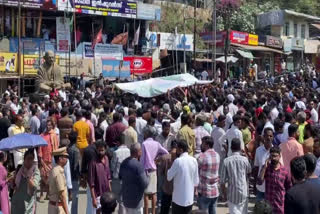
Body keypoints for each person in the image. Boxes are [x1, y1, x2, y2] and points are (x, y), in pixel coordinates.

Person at [141, 126, 168, 214]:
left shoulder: (144, 144)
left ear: (146, 134)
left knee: (145, 194)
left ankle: (146, 212)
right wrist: (158, 159)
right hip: (153, 170)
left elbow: (142, 159)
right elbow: (166, 153)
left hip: (145, 170)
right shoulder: (157, 144)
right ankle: (153, 212)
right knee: (154, 193)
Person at [167, 140, 199, 214]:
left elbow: (169, 177)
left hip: (178, 199)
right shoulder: (194, 160)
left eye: (177, 149)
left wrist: (171, 164)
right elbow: (196, 180)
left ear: (180, 150)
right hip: (189, 199)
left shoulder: (178, 161)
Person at [220, 138, 251, 214]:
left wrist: (224, 194)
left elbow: (222, 181)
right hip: (243, 193)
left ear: (230, 148)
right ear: (240, 147)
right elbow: (249, 172)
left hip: (232, 195)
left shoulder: (226, 161)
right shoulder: (245, 160)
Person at [258, 147, 291, 214]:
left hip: (280, 206)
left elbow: (289, 188)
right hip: (268, 206)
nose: (273, 158)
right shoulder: (266, 168)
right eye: (272, 156)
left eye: (275, 156)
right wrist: (265, 167)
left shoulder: (285, 171)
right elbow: (259, 182)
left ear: (279, 156)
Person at [119, 143, 149, 213]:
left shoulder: (124, 162)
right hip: (136, 202)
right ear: (138, 152)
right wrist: (148, 176)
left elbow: (120, 177)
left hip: (126, 199)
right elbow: (145, 184)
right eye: (141, 150)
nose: (141, 152)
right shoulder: (138, 166)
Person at [11, 149, 41, 214]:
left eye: (31, 159)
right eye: (28, 158)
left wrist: (28, 176)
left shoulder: (35, 170)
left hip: (28, 203)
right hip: (17, 203)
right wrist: (12, 179)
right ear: (24, 159)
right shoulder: (19, 169)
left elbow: (34, 185)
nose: (30, 161)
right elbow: (14, 186)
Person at [197, 136, 220, 214]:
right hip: (215, 190)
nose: (201, 145)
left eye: (202, 143)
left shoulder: (201, 157)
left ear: (206, 145)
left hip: (204, 191)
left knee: (203, 212)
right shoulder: (217, 155)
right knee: (213, 210)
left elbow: (197, 172)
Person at [88, 140, 112, 214]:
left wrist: (110, 193)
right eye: (99, 150)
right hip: (98, 194)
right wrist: (93, 198)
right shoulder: (93, 162)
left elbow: (108, 178)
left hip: (107, 194)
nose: (100, 152)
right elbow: (91, 182)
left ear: (105, 150)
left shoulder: (107, 159)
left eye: (102, 150)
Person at [39, 119, 59, 201]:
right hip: (44, 159)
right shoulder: (42, 136)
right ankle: (41, 194)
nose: (48, 126)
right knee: (42, 178)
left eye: (50, 125)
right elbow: (40, 149)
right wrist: (41, 159)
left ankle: (48, 194)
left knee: (50, 179)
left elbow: (56, 147)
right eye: (47, 125)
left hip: (51, 159)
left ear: (52, 126)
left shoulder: (54, 135)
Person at [110, 133, 130, 213]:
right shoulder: (129, 151)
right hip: (128, 178)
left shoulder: (116, 152)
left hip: (117, 179)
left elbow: (112, 166)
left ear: (118, 142)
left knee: (119, 200)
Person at [253, 127, 274, 201]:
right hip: (260, 188)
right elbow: (256, 168)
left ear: (273, 137)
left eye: (270, 136)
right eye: (267, 135)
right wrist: (254, 185)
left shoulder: (275, 152)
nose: (268, 138)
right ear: (264, 136)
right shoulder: (258, 150)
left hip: (271, 188)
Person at [48, 147, 70, 214]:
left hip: (53, 205)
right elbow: (62, 195)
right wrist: (67, 211)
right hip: (58, 207)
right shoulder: (59, 172)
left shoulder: (54, 169)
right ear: (60, 159)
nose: (67, 159)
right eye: (65, 157)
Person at [158, 141, 177, 214]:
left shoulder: (165, 157)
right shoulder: (179, 158)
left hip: (166, 187)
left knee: (164, 208)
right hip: (176, 188)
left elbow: (161, 172)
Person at [67, 131, 80, 214]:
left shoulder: (67, 148)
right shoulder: (76, 151)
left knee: (67, 199)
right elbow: (76, 166)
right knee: (75, 200)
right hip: (74, 178)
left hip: (67, 177)